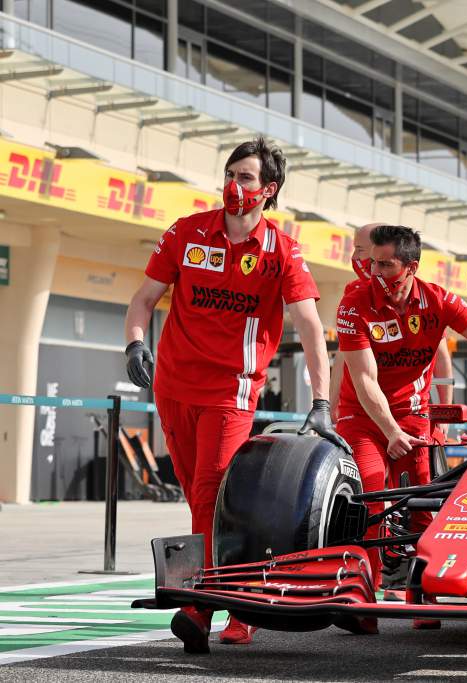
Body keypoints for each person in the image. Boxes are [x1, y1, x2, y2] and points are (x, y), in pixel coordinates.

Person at [123, 138, 346, 654]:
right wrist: (135, 343)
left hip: (231, 392)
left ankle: (198, 607)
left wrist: (320, 401)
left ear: (268, 191)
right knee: (201, 498)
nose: (233, 185)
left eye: (246, 177)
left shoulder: (283, 250)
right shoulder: (186, 231)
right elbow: (143, 299)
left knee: (207, 493)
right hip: (173, 388)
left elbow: (312, 328)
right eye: (230, 173)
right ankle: (243, 601)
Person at [335, 225, 467, 632]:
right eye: (372, 261)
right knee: (374, 495)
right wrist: (391, 430)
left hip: (415, 419)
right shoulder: (353, 302)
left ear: (411, 267)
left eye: (386, 264)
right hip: (362, 417)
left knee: (424, 507)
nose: (374, 270)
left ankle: (423, 597)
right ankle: (365, 599)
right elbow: (364, 379)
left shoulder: (439, 300)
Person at [329, 223, 454, 416]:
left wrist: (445, 412)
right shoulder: (353, 295)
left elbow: (441, 357)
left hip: (409, 412)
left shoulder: (423, 296)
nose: (354, 258)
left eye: (360, 250)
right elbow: (343, 356)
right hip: (362, 413)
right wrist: (332, 407)